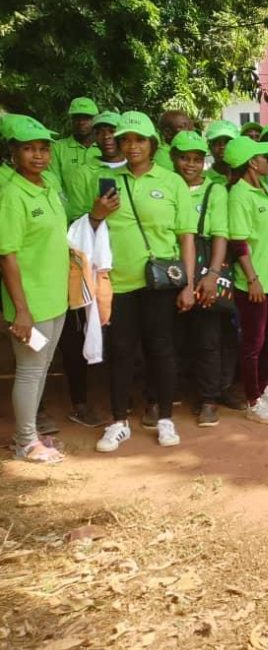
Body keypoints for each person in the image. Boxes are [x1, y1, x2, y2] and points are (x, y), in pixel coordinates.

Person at [94, 111, 197, 452]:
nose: (132, 146)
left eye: (139, 140)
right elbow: (90, 231)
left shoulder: (171, 182)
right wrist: (96, 214)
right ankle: (118, 422)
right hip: (118, 283)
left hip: (160, 284)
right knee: (120, 353)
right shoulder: (106, 179)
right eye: (126, 140)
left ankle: (165, 418)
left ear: (153, 144)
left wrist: (188, 284)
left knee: (161, 350)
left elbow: (186, 237)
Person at [0, 117, 70, 463]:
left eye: (43, 149)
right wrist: (21, 310)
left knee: (41, 367)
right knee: (29, 369)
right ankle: (26, 442)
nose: (38, 155)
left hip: (54, 301)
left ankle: (27, 435)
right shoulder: (14, 195)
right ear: (13, 153)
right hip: (31, 306)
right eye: (28, 149)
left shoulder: (47, 186)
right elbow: (7, 255)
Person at [60, 111, 121, 429]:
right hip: (91, 262)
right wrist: (96, 216)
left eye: (113, 130)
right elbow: (77, 215)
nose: (108, 136)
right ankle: (80, 401)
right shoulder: (83, 171)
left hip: (129, 266)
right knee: (80, 328)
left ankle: (123, 401)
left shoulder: (140, 170)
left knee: (123, 336)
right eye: (101, 131)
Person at [170, 130, 234, 427]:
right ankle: (170, 393)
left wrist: (212, 273)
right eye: (184, 158)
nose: (191, 165)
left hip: (204, 265)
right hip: (170, 268)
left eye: (197, 159)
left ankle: (209, 398)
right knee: (172, 336)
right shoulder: (167, 186)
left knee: (209, 335)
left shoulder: (214, 190)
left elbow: (221, 233)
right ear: (174, 158)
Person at [226, 136, 268, 424]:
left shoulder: (264, 188)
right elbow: (238, 242)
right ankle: (253, 401)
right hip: (255, 283)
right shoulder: (239, 194)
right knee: (254, 344)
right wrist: (252, 278)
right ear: (252, 163)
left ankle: (264, 388)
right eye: (263, 156)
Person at [52, 97, 98, 189]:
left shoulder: (105, 147)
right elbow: (54, 184)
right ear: (71, 120)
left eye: (87, 118)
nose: (81, 122)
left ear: (95, 120)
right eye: (77, 118)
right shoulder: (57, 148)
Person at [204, 120, 239, 187]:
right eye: (216, 142)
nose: (222, 147)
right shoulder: (202, 180)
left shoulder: (247, 177)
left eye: (227, 142)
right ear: (209, 147)